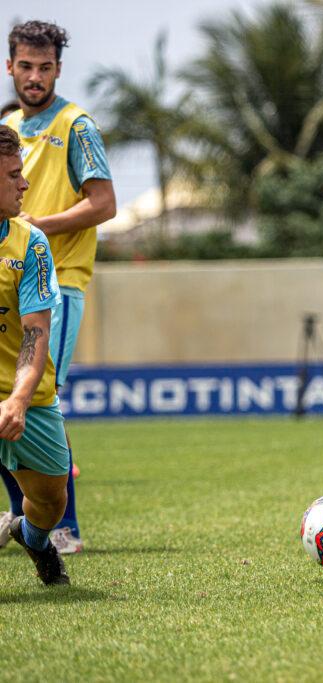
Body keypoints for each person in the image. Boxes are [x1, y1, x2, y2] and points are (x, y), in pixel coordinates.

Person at [0, 21, 116, 555]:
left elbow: (104, 204)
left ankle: (61, 526)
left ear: (59, 70)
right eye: (25, 66)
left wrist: (35, 228)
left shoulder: (77, 126)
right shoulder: (7, 126)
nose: (34, 77)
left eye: (45, 68)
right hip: (7, 280)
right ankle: (26, 519)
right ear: (10, 66)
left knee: (39, 397)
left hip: (56, 281)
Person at [0, 124, 70, 584]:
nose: (25, 184)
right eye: (13, 175)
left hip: (24, 393)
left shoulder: (30, 242)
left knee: (50, 501)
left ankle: (33, 538)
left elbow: (35, 332)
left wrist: (18, 400)